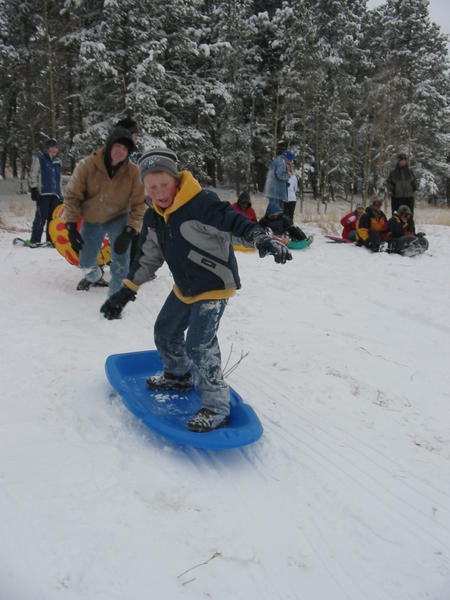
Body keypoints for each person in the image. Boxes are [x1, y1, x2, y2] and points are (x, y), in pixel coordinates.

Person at [99, 148, 292, 432]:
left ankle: (216, 406)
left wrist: (260, 238)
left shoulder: (202, 203)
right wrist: (126, 290)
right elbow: (148, 256)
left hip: (214, 285)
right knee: (165, 331)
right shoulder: (154, 216)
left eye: (164, 184)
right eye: (152, 187)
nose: (159, 192)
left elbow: (235, 222)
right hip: (185, 286)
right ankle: (177, 376)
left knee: (199, 344)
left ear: (176, 179)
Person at [63, 127, 146, 295]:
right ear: (109, 145)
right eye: (117, 146)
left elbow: (139, 204)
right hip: (92, 218)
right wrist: (71, 226)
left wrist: (130, 230)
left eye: (125, 149)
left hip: (118, 217)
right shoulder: (87, 165)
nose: (120, 151)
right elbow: (72, 196)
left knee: (121, 261)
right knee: (84, 262)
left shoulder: (133, 173)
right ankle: (93, 275)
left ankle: (115, 300)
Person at [115, 116, 143, 264]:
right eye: (135, 135)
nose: (136, 138)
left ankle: (133, 265)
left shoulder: (136, 153)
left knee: (136, 233)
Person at [28, 138, 63, 247]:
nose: (54, 150)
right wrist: (34, 188)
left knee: (53, 219)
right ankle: (35, 240)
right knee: (40, 217)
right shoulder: (40, 159)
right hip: (43, 193)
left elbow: (59, 179)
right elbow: (33, 174)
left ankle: (51, 240)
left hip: (55, 194)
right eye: (52, 147)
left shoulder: (58, 162)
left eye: (55, 147)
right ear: (47, 149)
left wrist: (60, 195)